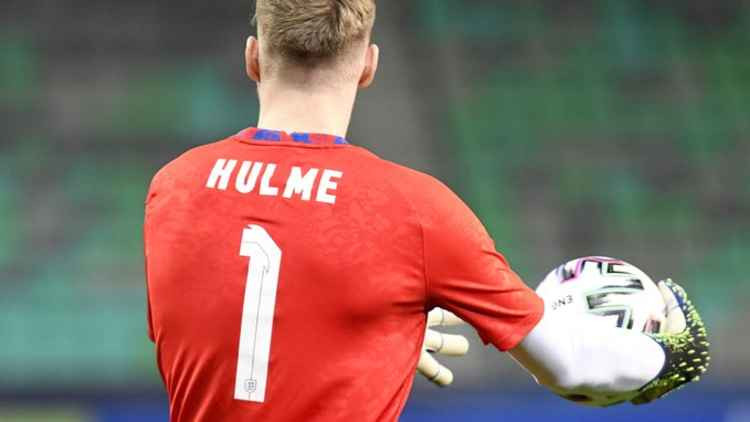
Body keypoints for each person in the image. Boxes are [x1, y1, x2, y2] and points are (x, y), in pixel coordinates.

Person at [143, 1, 709, 421]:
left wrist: (356, 339)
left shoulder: (174, 188)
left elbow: (229, 327)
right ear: (368, 65)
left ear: (251, 58)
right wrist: (670, 353)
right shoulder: (413, 211)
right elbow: (572, 365)